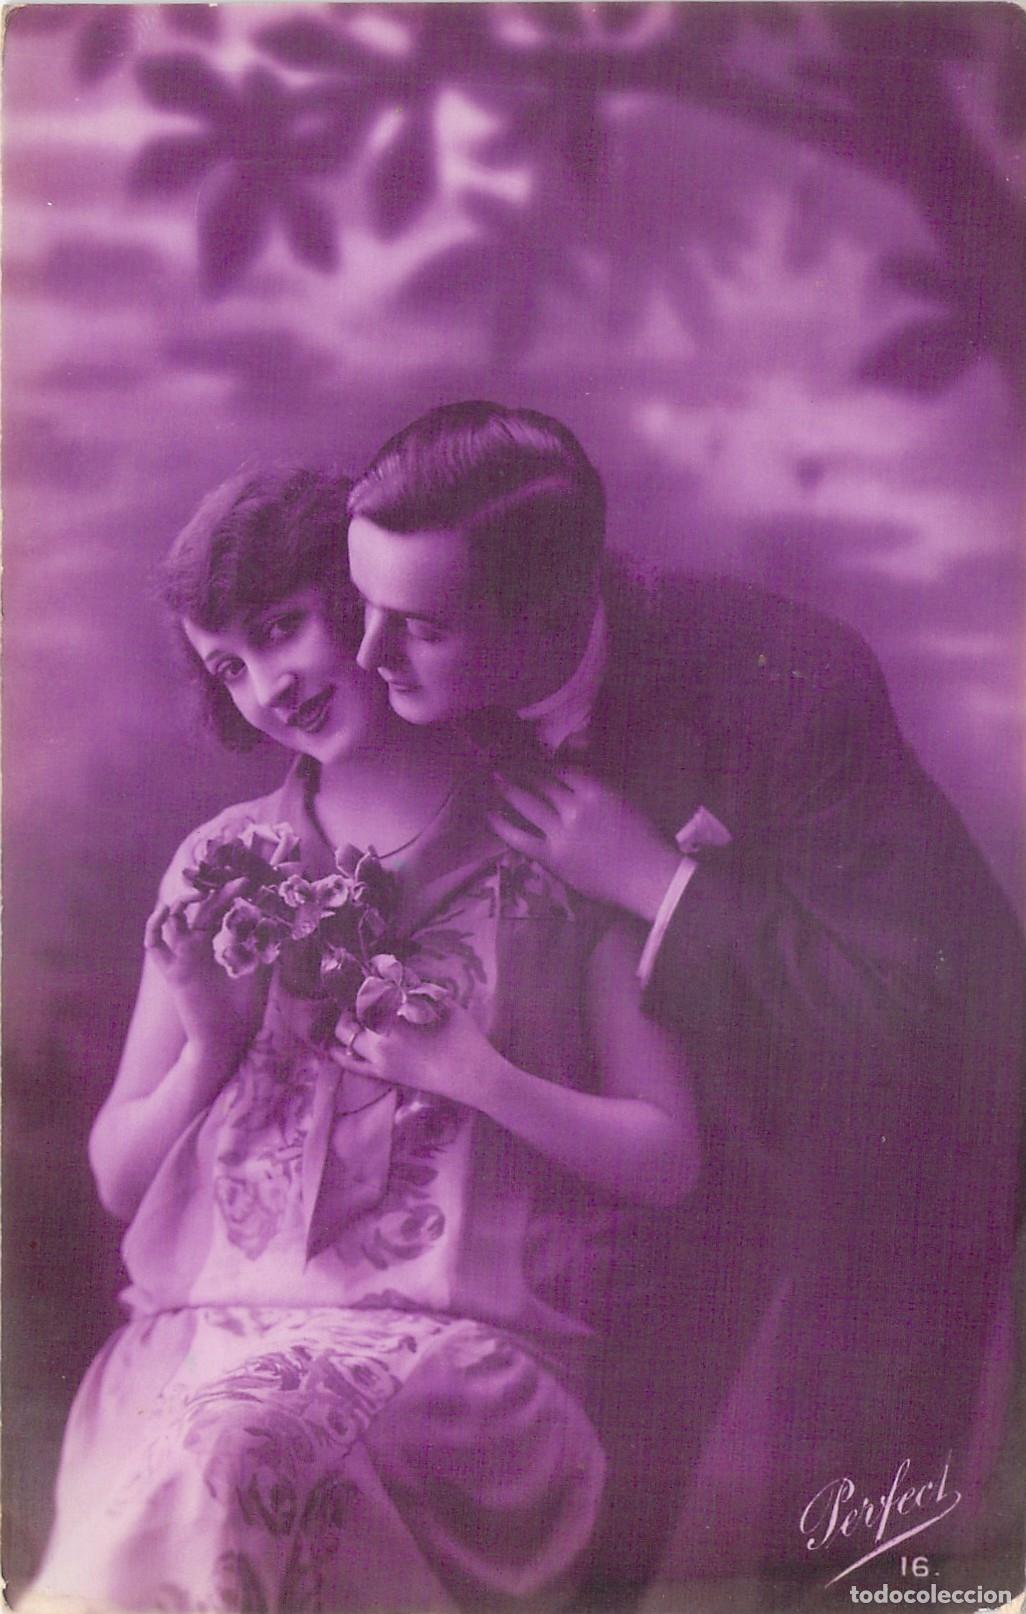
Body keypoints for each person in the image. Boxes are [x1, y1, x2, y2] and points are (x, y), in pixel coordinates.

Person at [345, 401, 1026, 1594]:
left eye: (420, 629)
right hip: (675, 1121)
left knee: (848, 1529)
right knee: (589, 1486)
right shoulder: (423, 684)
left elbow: (901, 1002)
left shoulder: (792, 681)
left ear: (546, 611)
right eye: (365, 607)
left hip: (917, 1110)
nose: (369, 658)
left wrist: (652, 881)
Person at [27, 467, 700, 1614]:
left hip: (462, 1369)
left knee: (239, 1457)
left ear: (365, 599)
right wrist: (208, 1048)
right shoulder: (217, 865)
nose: (267, 688)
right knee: (213, 1455)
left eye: (280, 630)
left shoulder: (557, 841)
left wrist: (481, 1077)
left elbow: (667, 1155)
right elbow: (116, 1177)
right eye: (228, 667)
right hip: (197, 1350)